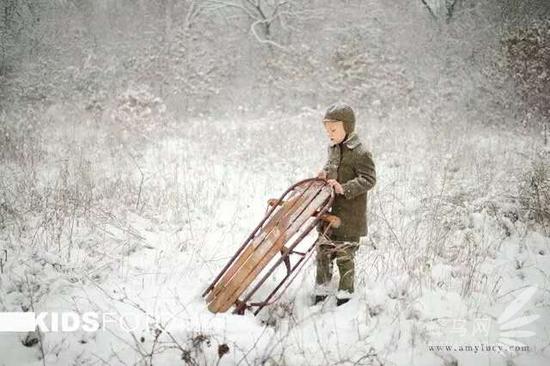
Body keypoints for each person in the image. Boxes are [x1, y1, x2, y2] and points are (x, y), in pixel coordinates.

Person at [314, 102, 376, 306]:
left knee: (344, 255)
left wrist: (344, 188)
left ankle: (345, 297)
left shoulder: (361, 152)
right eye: (327, 130)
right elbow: (332, 167)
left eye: (333, 129)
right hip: (330, 214)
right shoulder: (333, 149)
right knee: (323, 252)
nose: (329, 134)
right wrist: (324, 173)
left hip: (350, 216)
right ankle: (321, 291)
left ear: (347, 127)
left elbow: (369, 179)